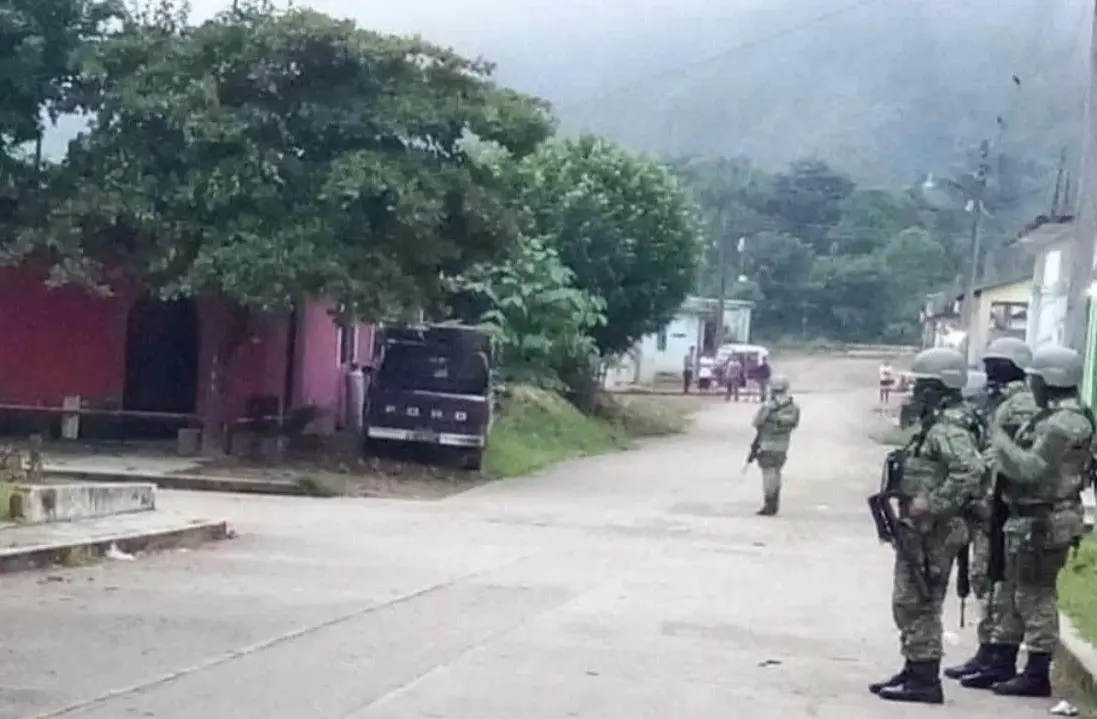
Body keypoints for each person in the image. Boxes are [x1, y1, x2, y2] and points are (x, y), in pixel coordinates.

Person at [978, 345, 1095, 697]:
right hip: (1030, 517)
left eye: (1037, 380)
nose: (1033, 387)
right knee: (1015, 592)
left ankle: (1037, 671)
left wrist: (998, 441)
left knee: (1036, 595)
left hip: (1047, 519)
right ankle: (1004, 659)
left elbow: (1030, 468)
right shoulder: (1052, 417)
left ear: (1052, 380)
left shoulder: (1066, 423)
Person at [870, 347, 984, 704]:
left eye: (924, 386)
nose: (916, 393)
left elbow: (971, 469)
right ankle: (915, 667)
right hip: (924, 527)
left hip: (935, 527)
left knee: (917, 599)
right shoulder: (939, 423)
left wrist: (931, 504)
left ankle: (924, 679)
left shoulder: (949, 428)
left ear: (940, 388)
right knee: (913, 599)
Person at [945, 337, 1037, 687]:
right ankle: (987, 648)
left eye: (996, 364)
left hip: (1003, 504)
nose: (988, 371)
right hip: (985, 504)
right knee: (984, 577)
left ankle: (1000, 653)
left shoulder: (1024, 404)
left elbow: (1008, 452)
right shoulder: (994, 400)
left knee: (1001, 581)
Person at [750, 375, 800, 516]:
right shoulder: (793, 406)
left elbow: (756, 422)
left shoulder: (769, 406)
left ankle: (769, 504)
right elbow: (795, 424)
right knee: (777, 473)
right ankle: (775, 502)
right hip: (783, 445)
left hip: (767, 444)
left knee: (768, 474)